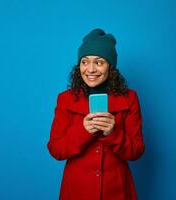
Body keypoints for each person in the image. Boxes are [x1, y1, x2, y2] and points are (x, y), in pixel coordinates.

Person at [47, 28, 145, 200]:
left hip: (117, 190)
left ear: (111, 66)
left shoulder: (129, 98)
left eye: (99, 62)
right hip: (77, 190)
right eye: (85, 62)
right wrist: (83, 131)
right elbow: (56, 150)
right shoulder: (65, 99)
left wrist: (113, 134)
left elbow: (136, 151)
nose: (90, 69)